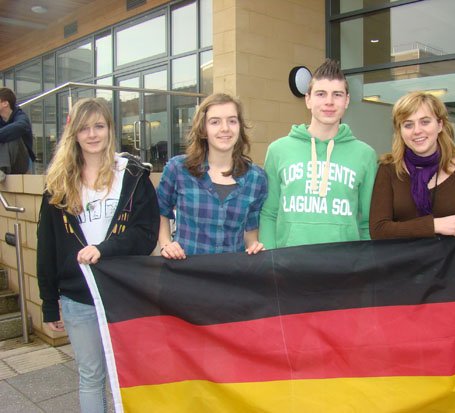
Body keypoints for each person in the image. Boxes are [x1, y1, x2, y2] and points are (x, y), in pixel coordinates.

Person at [36, 98, 160, 413]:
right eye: (84, 128)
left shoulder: (132, 175)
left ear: (110, 129)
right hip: (78, 298)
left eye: (99, 126)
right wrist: (49, 302)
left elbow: (145, 234)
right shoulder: (58, 183)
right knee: (91, 377)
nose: (92, 134)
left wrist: (104, 250)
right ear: (74, 134)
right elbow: (47, 246)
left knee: (133, 374)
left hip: (126, 293)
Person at [369, 91, 455, 341]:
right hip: (398, 285)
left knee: (443, 357)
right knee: (400, 355)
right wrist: (434, 225)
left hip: (448, 286)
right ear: (399, 130)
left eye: (425, 121)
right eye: (408, 124)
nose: (417, 131)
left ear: (440, 124)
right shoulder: (389, 171)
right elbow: (379, 230)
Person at [259, 59, 378, 248]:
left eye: (337, 94)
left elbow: (367, 222)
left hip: (344, 262)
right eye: (321, 94)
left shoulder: (365, 155)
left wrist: (364, 261)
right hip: (290, 262)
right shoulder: (278, 150)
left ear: (347, 100)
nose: (329, 102)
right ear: (308, 99)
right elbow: (269, 213)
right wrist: (271, 260)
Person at [157, 93, 267, 259]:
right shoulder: (178, 169)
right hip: (185, 269)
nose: (225, 128)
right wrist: (166, 244)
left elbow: (251, 233)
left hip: (232, 271)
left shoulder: (256, 178)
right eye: (215, 122)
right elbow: (161, 211)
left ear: (240, 126)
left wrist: (254, 247)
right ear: (203, 129)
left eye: (232, 121)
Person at [0, 87, 35, 181]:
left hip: (21, 161)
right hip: (7, 161)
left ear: (5, 103)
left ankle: (2, 168)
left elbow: (22, 126)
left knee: (14, 134)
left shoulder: (20, 116)